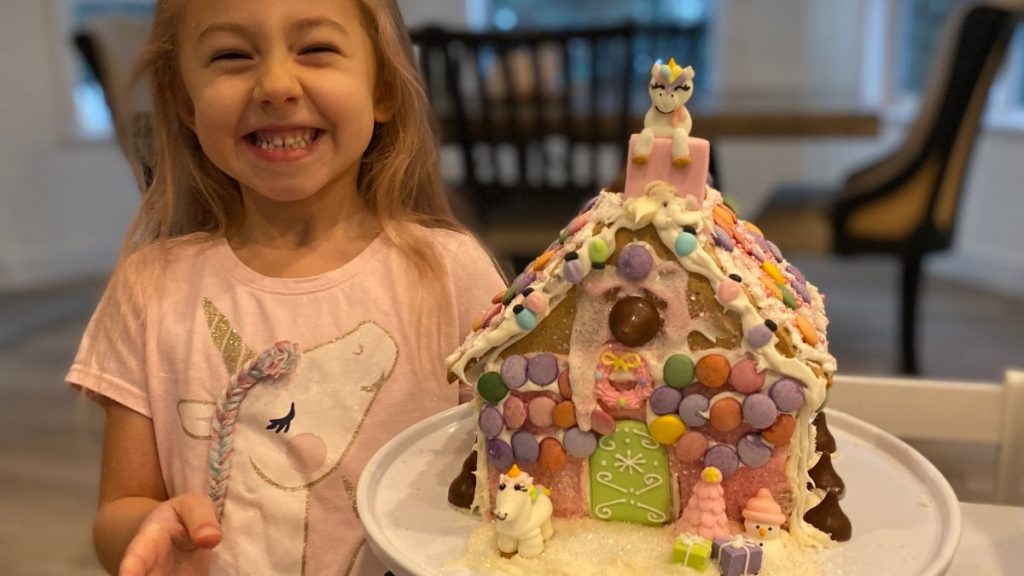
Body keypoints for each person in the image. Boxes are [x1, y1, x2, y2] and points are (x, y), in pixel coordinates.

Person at [66, 0, 506, 574]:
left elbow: (513, 475)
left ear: (384, 89)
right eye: (231, 55)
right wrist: (145, 529)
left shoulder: (454, 276)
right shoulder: (150, 289)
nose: (275, 85)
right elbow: (120, 509)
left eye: (316, 49)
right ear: (185, 103)